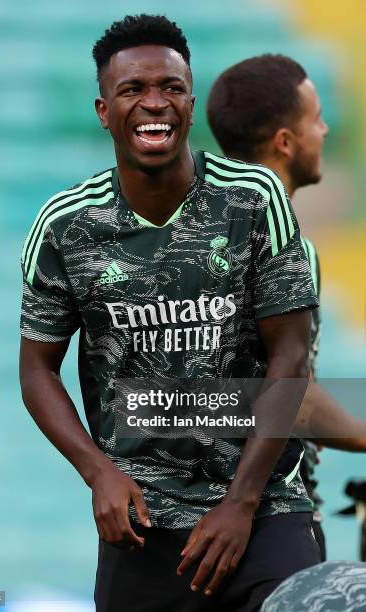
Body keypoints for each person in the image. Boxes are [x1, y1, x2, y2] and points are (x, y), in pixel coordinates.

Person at [19, 16, 320, 612]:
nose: (153, 103)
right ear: (105, 111)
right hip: (142, 522)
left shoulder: (254, 198)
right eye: (133, 90)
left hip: (264, 511)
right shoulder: (65, 225)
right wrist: (98, 473)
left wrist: (240, 503)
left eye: (171, 88)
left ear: (189, 102)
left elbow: (292, 354)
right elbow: (37, 370)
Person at [207, 53, 366, 563]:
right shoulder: (285, 249)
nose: (324, 130)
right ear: (284, 142)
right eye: (315, 119)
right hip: (270, 519)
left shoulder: (196, 236)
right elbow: (292, 395)